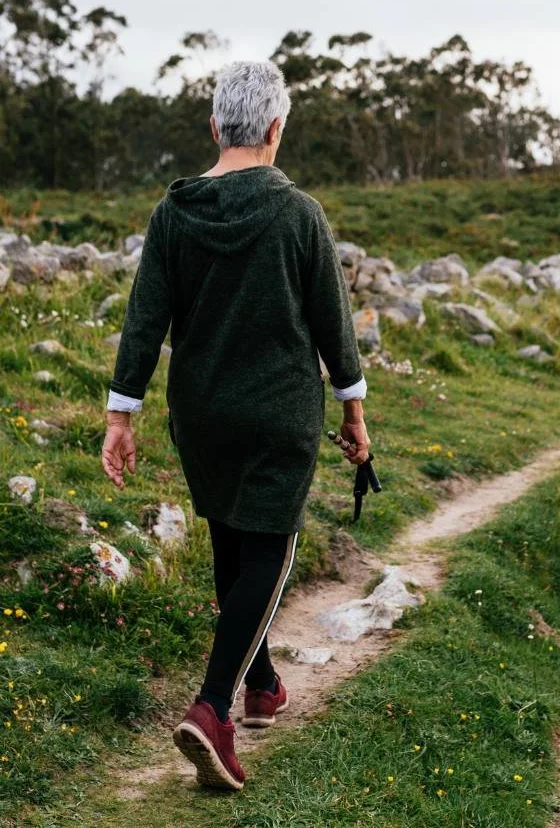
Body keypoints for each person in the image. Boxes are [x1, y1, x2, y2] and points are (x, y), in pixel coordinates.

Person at [100, 60, 371, 790]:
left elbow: (144, 317)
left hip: (202, 412)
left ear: (215, 126)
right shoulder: (299, 213)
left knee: (230, 538)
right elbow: (331, 325)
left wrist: (121, 413)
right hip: (279, 411)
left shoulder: (174, 211)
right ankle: (214, 707)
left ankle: (263, 687)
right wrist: (353, 409)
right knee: (269, 558)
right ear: (276, 129)